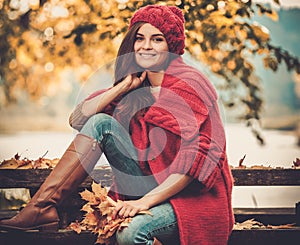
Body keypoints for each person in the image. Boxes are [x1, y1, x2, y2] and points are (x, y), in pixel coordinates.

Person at [0, 4, 234, 245]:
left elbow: (194, 164)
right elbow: (78, 119)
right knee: (101, 122)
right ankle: (42, 207)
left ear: (171, 46)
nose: (146, 46)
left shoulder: (190, 85)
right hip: (146, 187)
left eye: (157, 39)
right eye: (140, 38)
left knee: (131, 232)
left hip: (189, 200)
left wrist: (144, 202)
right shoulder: (136, 89)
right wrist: (121, 88)